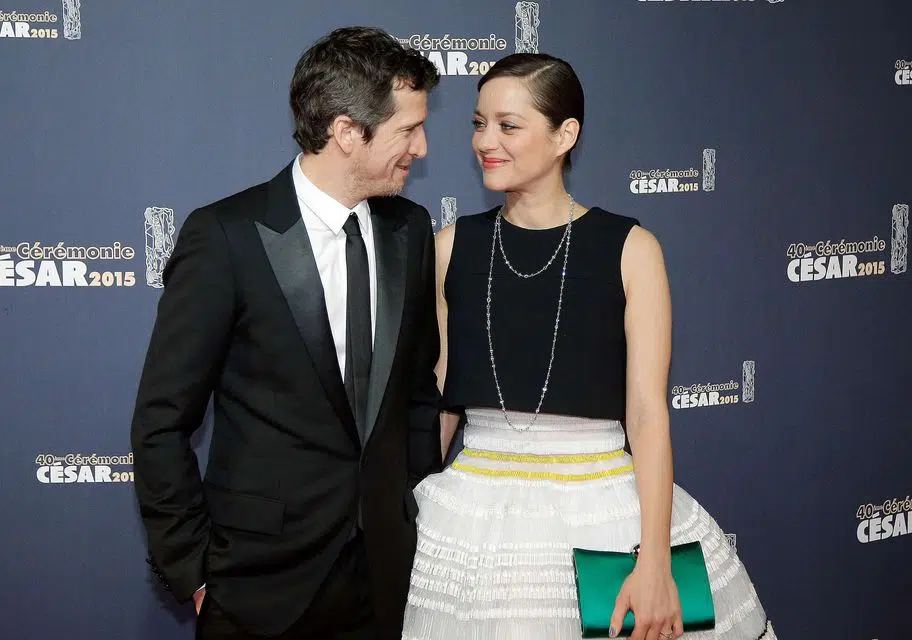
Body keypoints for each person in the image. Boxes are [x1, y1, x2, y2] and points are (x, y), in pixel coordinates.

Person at [401, 53, 777, 640]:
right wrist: (406, 513)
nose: (485, 141)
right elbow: (443, 399)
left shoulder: (630, 248)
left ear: (564, 135)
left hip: (602, 504)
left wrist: (653, 562)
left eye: (508, 125)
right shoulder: (452, 246)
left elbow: (648, 412)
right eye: (478, 123)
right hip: (471, 513)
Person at [130, 27, 442, 640]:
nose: (423, 148)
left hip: (383, 584)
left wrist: (413, 512)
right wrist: (195, 571)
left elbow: (416, 395)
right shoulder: (226, 236)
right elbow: (161, 421)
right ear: (347, 131)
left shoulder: (410, 229)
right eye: (408, 130)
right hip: (257, 589)